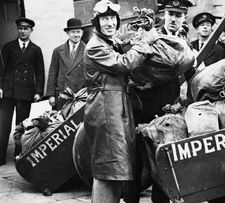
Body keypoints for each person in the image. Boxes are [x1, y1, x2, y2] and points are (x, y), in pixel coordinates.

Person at [83, 0, 158, 202]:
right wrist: (145, 43)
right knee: (107, 169)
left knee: (116, 169)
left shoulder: (109, 42)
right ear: (96, 23)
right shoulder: (95, 46)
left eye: (112, 19)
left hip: (114, 108)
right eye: (104, 19)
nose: (109, 23)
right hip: (106, 110)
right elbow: (122, 64)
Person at [132, 1, 193, 203]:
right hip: (146, 107)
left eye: (178, 15)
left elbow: (189, 73)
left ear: (184, 17)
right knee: (139, 157)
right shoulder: (150, 36)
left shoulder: (185, 43)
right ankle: (131, 197)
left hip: (170, 109)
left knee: (166, 157)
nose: (174, 19)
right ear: (164, 15)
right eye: (171, 14)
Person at [0, 17, 44, 164]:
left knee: (21, 125)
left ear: (31, 31)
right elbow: (1, 69)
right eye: (20, 28)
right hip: (8, 91)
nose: (22, 31)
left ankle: (18, 155)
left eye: (26, 29)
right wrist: (0, 87)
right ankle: (0, 156)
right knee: (3, 125)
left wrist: (38, 91)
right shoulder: (8, 47)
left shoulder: (36, 50)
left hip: (25, 92)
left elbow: (40, 72)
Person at [46, 18, 86, 110]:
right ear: (67, 33)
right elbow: (53, 73)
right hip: (62, 94)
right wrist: (51, 95)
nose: (76, 35)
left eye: (78, 32)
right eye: (73, 32)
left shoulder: (88, 50)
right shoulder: (58, 51)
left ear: (82, 33)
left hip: (80, 96)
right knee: (60, 121)